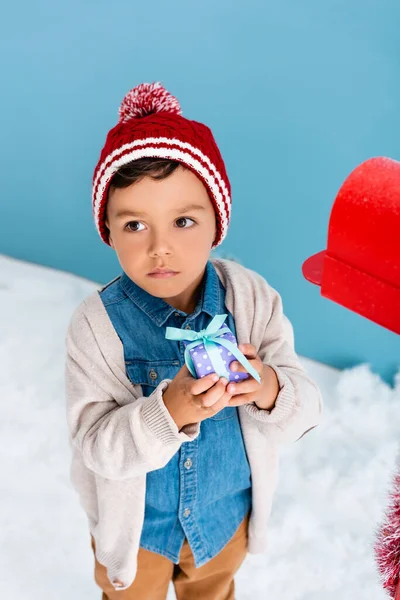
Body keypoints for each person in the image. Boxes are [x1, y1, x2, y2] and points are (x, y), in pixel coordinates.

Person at [65, 81, 323, 600]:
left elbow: (307, 411)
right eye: (135, 224)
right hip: (139, 538)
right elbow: (96, 447)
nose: (161, 248)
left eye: (184, 221)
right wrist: (170, 411)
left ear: (216, 223)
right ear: (109, 233)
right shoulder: (95, 327)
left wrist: (270, 387)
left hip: (226, 521)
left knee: (214, 592)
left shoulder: (250, 301)